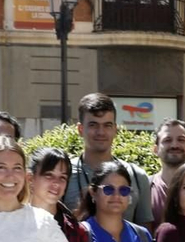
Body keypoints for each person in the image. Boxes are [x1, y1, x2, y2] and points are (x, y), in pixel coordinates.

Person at [65, 93, 153, 227]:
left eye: (107, 125)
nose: (101, 132)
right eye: (93, 125)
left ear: (115, 129)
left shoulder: (137, 176)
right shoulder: (64, 174)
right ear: (80, 129)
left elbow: (144, 236)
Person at [146, 119, 185, 231]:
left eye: (181, 140)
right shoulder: (145, 189)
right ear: (155, 149)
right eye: (167, 140)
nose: (175, 145)